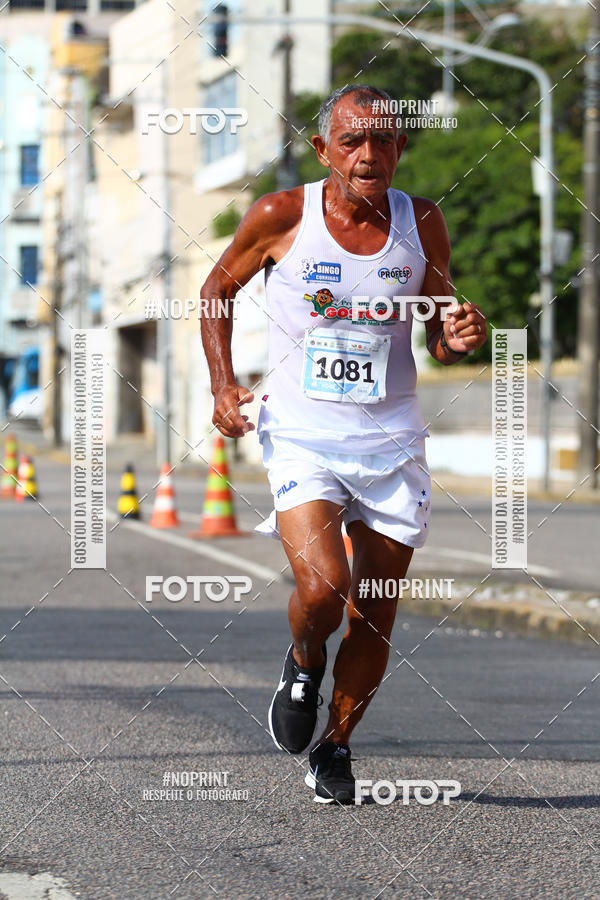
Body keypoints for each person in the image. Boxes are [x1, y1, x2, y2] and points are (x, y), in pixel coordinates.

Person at [200, 83, 488, 804]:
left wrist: (455, 335)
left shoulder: (421, 220)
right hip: (303, 432)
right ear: (323, 148)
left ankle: (335, 746)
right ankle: (303, 657)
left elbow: (438, 324)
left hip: (392, 440)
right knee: (325, 585)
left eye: (384, 140)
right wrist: (223, 386)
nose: (369, 154)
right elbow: (215, 291)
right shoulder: (282, 214)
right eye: (353, 141)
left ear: (401, 148)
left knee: (377, 604)